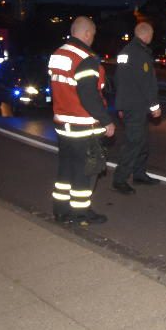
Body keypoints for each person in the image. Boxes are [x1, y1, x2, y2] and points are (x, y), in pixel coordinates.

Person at [48, 16, 115, 225]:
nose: (93, 39)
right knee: (86, 172)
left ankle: (61, 211)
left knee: (66, 169)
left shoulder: (58, 54)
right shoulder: (85, 58)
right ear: (87, 34)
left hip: (62, 124)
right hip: (82, 125)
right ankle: (81, 213)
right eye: (93, 35)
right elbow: (89, 96)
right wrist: (106, 121)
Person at [112, 22, 162, 195]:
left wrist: (120, 105)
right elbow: (147, 83)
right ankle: (120, 179)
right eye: (152, 34)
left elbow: (118, 80)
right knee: (134, 143)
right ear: (147, 35)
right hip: (137, 106)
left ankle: (139, 174)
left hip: (130, 105)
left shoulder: (125, 52)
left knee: (142, 141)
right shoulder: (141, 54)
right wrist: (155, 106)